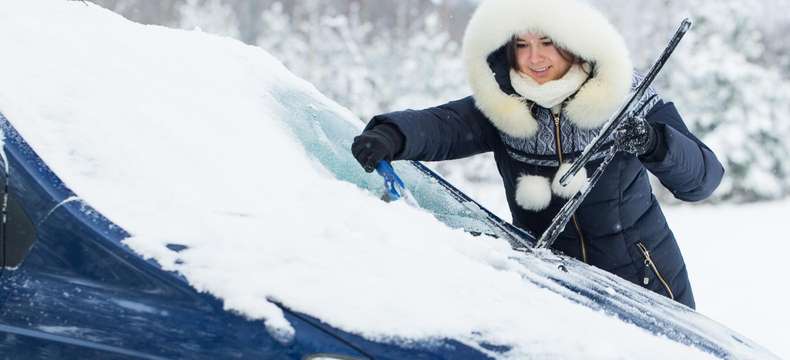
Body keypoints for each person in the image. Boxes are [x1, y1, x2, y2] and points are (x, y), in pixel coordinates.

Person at [351, 0, 723, 309]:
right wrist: (392, 134)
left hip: (647, 285)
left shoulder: (625, 92)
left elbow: (703, 180)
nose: (535, 58)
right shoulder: (503, 104)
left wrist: (654, 142)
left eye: (547, 42)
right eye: (522, 45)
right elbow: (443, 126)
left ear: (573, 41)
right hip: (558, 294)